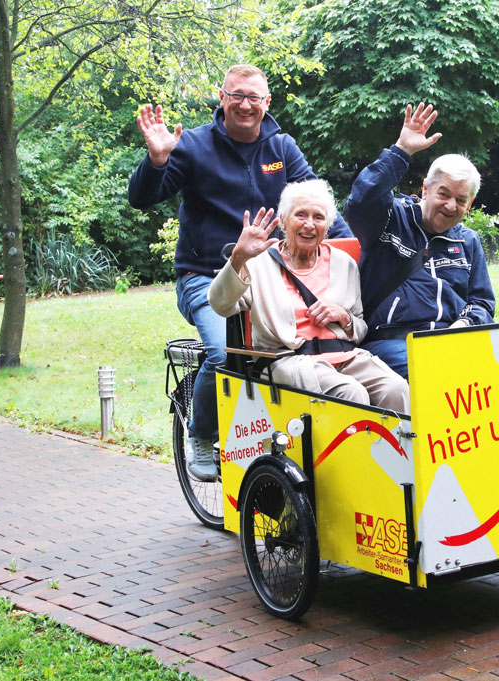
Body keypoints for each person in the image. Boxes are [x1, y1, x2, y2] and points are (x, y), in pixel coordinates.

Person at [127, 64, 351, 482]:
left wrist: (350, 252)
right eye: (237, 95)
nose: (246, 105)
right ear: (222, 97)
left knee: (305, 348)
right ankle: (202, 433)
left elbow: (316, 202)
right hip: (204, 275)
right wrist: (156, 161)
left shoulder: (281, 147)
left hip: (271, 274)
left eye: (254, 97)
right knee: (224, 352)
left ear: (267, 103)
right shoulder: (193, 145)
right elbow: (143, 197)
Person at [208, 179, 410, 420]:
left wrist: (344, 317)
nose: (310, 225)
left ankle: (401, 457)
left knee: (397, 390)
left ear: (328, 226)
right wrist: (238, 258)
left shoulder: (343, 263)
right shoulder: (258, 264)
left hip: (346, 356)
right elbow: (221, 304)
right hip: (289, 361)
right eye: (301, 215)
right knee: (351, 393)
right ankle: (350, 458)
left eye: (319, 217)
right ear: (283, 221)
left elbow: (359, 327)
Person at [344, 103, 495, 379]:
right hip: (392, 343)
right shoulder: (391, 218)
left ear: (470, 204)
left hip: (454, 343)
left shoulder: (468, 241)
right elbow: (360, 202)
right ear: (425, 188)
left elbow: (483, 303)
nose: (451, 206)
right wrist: (402, 150)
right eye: (443, 194)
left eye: (460, 200)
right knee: (437, 375)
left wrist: (465, 323)